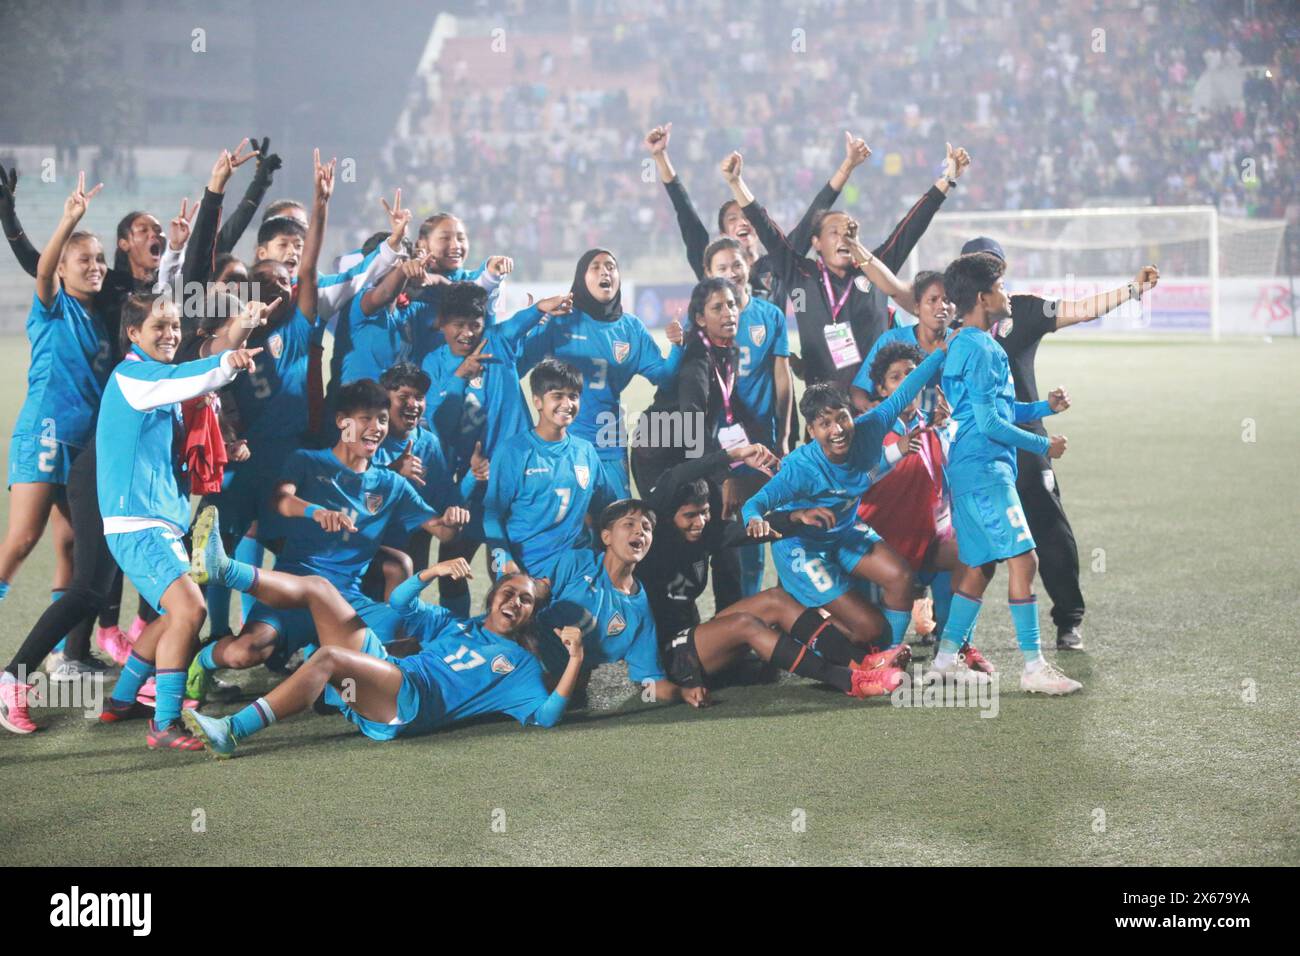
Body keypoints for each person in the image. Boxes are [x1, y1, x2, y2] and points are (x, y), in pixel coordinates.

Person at [185, 379, 470, 697]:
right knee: (245, 653)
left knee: (403, 634)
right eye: (365, 419)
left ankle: (334, 691)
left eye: (382, 419)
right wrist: (315, 512)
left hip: (345, 600)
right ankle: (203, 661)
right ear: (341, 421)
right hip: (293, 590)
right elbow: (281, 499)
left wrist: (453, 520)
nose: (375, 428)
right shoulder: (307, 461)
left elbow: (441, 530)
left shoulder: (391, 485)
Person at [965, 236, 1160, 650]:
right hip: (975, 447)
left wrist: (1133, 289)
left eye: (995, 269)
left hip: (1025, 442)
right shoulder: (953, 322)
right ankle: (950, 632)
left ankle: (1068, 620)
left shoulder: (1025, 309)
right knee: (968, 541)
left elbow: (1083, 309)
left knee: (1049, 531)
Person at [94, 292, 262, 749]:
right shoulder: (135, 376)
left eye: (173, 326)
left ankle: (123, 699)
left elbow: (189, 374)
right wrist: (228, 359)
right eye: (159, 327)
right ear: (133, 334)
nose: (170, 335)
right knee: (191, 609)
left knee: (174, 614)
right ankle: (164, 723)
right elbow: (191, 374)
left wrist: (235, 339)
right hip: (138, 524)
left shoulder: (148, 377)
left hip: (155, 522)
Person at [180, 567, 584, 757]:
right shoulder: (455, 625)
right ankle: (223, 570)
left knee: (330, 658)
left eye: (525, 600)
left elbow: (545, 716)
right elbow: (401, 602)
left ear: (531, 614)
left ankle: (231, 731)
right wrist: (432, 572)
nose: (514, 602)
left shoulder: (520, 666)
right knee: (321, 589)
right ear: (493, 595)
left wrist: (575, 660)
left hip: (409, 705)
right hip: (391, 678)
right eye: (509, 592)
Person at [635, 443, 905, 700]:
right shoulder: (653, 541)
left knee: (775, 599)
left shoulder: (705, 535)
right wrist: (734, 454)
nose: (700, 522)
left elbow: (748, 532)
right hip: (665, 659)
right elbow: (675, 478)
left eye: (705, 513)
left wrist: (795, 517)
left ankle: (863, 663)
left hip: (694, 636)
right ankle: (850, 681)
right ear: (668, 517)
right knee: (745, 624)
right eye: (691, 515)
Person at [934, 251, 1081, 694]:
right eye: (1000, 287)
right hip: (985, 470)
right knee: (1024, 559)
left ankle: (943, 659)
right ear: (982, 297)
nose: (1007, 294)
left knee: (980, 567)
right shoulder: (982, 348)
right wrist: (1044, 443)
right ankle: (1034, 667)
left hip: (969, 468)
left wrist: (1042, 409)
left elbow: (998, 409)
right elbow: (991, 424)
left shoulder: (965, 342)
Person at [740, 341, 947, 655]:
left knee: (902, 578)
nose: (837, 430)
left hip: (844, 531)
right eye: (825, 424)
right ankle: (798, 620)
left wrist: (942, 351)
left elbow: (906, 390)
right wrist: (753, 520)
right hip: (803, 547)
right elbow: (755, 503)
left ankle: (887, 657)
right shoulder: (800, 468)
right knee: (867, 627)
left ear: (853, 416)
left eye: (842, 418)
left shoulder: (870, 427)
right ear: (811, 431)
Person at [722, 144, 969, 390]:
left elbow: (911, 227)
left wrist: (947, 180)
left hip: (877, 406)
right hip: (825, 412)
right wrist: (736, 183)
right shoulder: (801, 274)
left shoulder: (873, 271)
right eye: (834, 232)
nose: (843, 238)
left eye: (849, 232)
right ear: (816, 242)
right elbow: (767, 230)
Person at [421, 284, 574, 612]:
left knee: (509, 560)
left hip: (517, 475)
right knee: (453, 562)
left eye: (474, 324)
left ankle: (521, 631)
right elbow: (437, 421)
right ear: (441, 323)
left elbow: (518, 322)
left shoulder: (496, 341)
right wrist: (461, 375)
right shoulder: (433, 363)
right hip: (470, 480)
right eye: (457, 325)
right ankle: (456, 630)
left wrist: (542, 307)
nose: (466, 333)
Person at [0, 173, 112, 617]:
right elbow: (42, 269)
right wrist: (68, 221)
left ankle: (66, 655)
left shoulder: (103, 320)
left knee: (69, 545)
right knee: (24, 539)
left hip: (82, 443)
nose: (96, 266)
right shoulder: (53, 308)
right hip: (45, 433)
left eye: (100, 259)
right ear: (63, 268)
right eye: (84, 259)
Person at [853, 342, 993, 671]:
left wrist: (949, 432)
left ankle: (954, 647)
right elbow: (858, 481)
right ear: (881, 388)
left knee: (973, 555)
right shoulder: (868, 428)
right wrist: (894, 454)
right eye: (895, 377)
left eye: (912, 374)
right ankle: (886, 652)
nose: (905, 382)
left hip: (925, 540)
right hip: (877, 545)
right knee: (865, 641)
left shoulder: (933, 426)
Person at [644, 123, 871, 311]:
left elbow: (815, 213)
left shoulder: (779, 262)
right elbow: (686, 215)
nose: (743, 222)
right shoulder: (711, 264)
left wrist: (847, 166)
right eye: (732, 219)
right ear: (723, 236)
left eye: (748, 217)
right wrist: (661, 157)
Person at [519, 249, 683, 498]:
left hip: (610, 443)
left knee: (617, 524)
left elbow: (664, 377)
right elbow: (519, 364)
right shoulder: (561, 321)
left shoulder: (631, 329)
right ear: (581, 278)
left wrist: (677, 347)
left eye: (611, 266)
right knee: (571, 527)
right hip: (563, 442)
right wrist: (528, 324)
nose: (605, 271)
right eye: (595, 266)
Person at [484, 359, 620, 584]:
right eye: (557, 396)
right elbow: (492, 514)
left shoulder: (585, 451)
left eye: (573, 396)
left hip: (575, 567)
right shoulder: (513, 452)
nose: (567, 404)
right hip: (527, 567)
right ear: (537, 401)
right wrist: (504, 558)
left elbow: (607, 507)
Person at [850, 270, 951, 415]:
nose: (942, 306)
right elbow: (859, 389)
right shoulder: (891, 340)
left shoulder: (962, 344)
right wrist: (871, 407)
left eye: (947, 300)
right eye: (933, 300)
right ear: (917, 306)